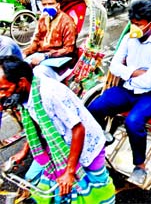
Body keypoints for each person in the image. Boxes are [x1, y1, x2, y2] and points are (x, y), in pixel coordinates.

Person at [0, 56, 115, 203]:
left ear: (22, 82)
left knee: (97, 192)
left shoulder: (50, 94)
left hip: (86, 144)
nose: (1, 94)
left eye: (4, 89)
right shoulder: (26, 96)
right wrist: (24, 151)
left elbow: (78, 129)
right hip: (58, 144)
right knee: (38, 181)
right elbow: (36, 126)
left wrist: (70, 171)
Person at [88, 0, 151, 185]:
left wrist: (127, 72)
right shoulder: (128, 38)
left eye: (139, 24)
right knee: (95, 106)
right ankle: (102, 135)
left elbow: (150, 80)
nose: (134, 27)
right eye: (132, 23)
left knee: (133, 121)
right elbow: (114, 67)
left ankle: (140, 166)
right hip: (130, 88)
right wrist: (134, 72)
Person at [23, 0, 78, 80]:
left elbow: (68, 49)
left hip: (61, 61)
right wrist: (25, 53)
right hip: (41, 56)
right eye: (44, 4)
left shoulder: (67, 22)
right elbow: (36, 41)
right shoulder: (43, 18)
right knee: (19, 68)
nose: (47, 7)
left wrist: (46, 56)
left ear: (58, 5)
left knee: (37, 72)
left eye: (50, 3)